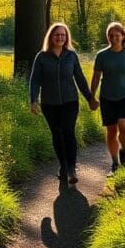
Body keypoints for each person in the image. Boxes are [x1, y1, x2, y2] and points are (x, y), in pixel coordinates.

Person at [29, 22, 96, 185]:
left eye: (63, 35)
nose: (60, 37)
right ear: (51, 37)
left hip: (70, 101)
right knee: (57, 134)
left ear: (67, 38)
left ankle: (72, 168)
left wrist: (90, 98)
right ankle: (63, 166)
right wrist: (33, 100)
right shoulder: (42, 56)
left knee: (68, 131)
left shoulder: (71, 56)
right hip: (49, 103)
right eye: (57, 34)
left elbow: (79, 78)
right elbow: (35, 80)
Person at [90, 22, 125, 176]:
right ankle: (114, 162)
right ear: (108, 37)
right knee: (111, 131)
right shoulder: (102, 55)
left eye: (117, 34)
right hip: (107, 97)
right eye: (111, 35)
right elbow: (96, 77)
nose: (114, 37)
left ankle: (123, 149)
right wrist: (91, 97)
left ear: (123, 36)